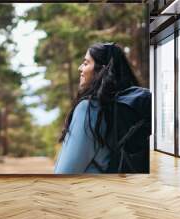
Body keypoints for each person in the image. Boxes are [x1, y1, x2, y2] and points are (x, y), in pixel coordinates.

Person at [54, 42, 151, 174]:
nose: (80, 68)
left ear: (101, 69)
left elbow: (65, 172)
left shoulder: (88, 108)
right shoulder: (128, 107)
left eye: (86, 63)